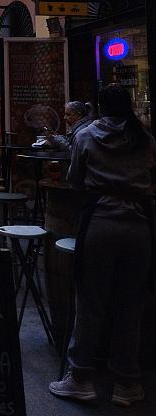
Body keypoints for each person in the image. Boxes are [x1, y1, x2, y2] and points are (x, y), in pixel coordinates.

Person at [49, 83, 156, 407]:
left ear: (99, 106)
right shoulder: (145, 137)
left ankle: (81, 378)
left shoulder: (86, 135)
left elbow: (75, 179)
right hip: (139, 225)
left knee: (91, 302)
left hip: (100, 222)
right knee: (131, 304)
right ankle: (127, 382)